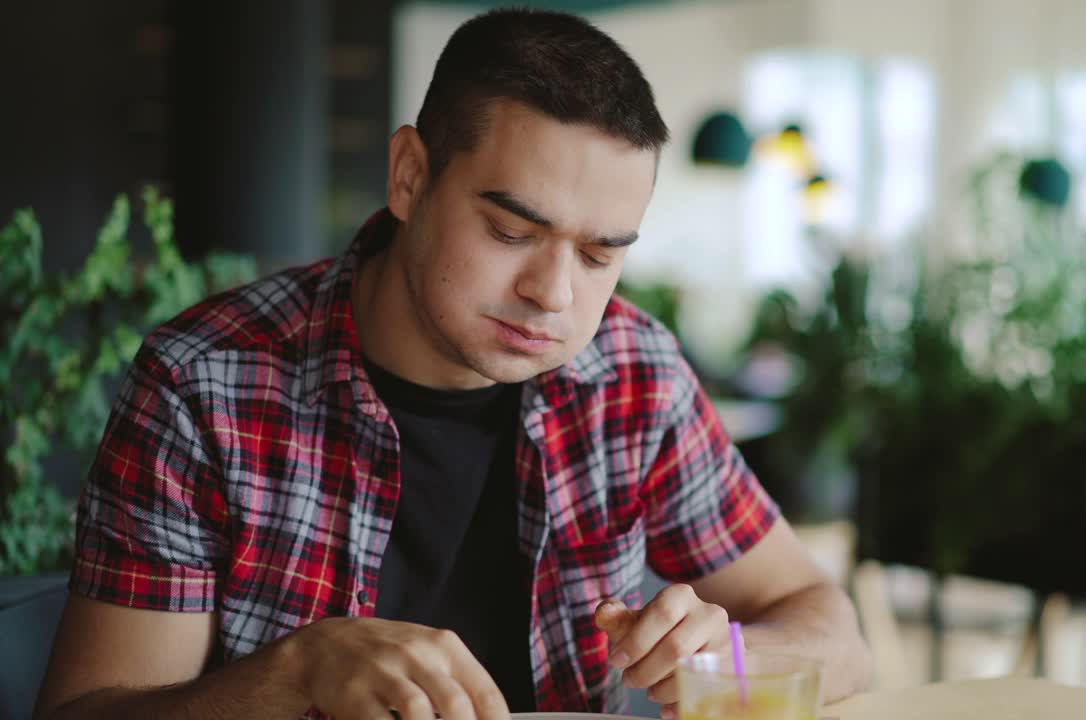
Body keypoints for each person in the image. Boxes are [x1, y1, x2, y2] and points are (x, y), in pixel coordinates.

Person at [35, 8, 871, 720]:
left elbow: (835, 634)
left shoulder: (634, 374)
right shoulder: (204, 386)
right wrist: (291, 675)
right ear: (409, 177)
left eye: (599, 255)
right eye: (512, 232)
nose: (553, 293)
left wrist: (726, 653)